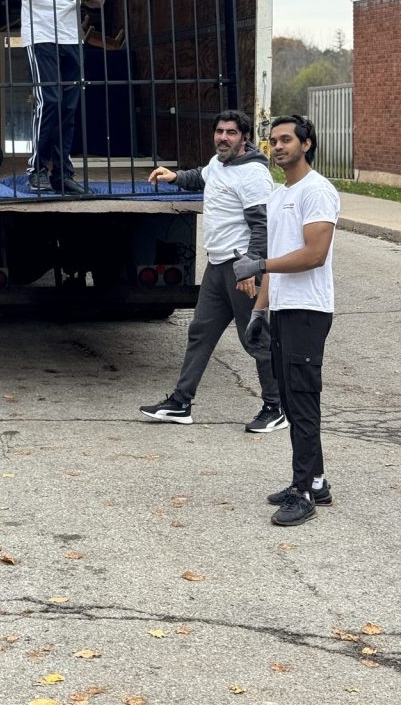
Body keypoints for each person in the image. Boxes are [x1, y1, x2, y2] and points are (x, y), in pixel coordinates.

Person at [140, 110, 287, 433]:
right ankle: (180, 403)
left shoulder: (252, 174)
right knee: (200, 333)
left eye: (231, 133)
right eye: (219, 131)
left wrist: (251, 267)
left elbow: (262, 226)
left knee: (256, 339)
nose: (223, 137)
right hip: (217, 267)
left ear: (244, 138)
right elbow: (201, 176)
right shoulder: (219, 163)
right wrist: (174, 176)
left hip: (242, 270)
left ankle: (275, 407)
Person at [233, 115, 340, 527]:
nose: (277, 146)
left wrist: (260, 262)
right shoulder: (279, 195)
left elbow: (315, 254)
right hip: (282, 311)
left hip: (309, 312)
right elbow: (276, 266)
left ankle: (304, 492)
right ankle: (317, 482)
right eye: (273, 141)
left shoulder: (317, 191)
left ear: (306, 144)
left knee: (302, 399)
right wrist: (260, 309)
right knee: (294, 400)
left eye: (286, 140)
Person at [16, 0, 103, 195]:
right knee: (49, 101)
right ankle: (37, 169)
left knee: (68, 106)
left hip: (70, 37)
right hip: (40, 34)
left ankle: (62, 173)